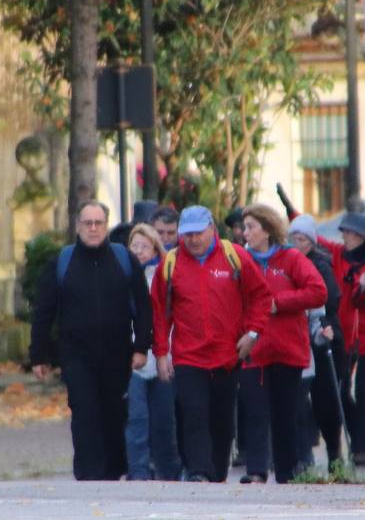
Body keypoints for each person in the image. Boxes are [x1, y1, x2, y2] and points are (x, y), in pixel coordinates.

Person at [30, 200, 153, 480]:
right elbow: (43, 311)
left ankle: (111, 473)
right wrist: (39, 355)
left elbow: (143, 306)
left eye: (99, 223)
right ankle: (88, 476)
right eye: (88, 223)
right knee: (84, 413)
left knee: (113, 414)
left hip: (117, 354)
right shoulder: (62, 262)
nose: (93, 229)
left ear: (106, 226)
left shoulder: (124, 259)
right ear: (78, 226)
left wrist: (142, 346)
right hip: (76, 356)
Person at [152, 205, 271, 483]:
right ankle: (198, 472)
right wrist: (161, 352)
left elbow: (261, 297)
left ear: (212, 229)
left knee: (222, 420)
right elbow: (159, 312)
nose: (192, 239)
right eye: (187, 234)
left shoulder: (235, 257)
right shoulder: (170, 263)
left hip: (228, 354)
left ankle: (216, 472)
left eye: (198, 233)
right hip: (188, 356)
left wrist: (253, 334)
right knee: (194, 414)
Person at [235, 204, 327, 484]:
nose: (245, 232)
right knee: (254, 411)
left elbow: (318, 291)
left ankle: (286, 472)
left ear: (267, 229)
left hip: (287, 349)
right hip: (253, 349)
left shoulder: (292, 258)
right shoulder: (241, 260)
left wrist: (279, 303)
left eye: (251, 226)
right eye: (244, 227)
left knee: (285, 413)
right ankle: (256, 470)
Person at [317, 212, 365, 467]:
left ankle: (364, 450)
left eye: (349, 232)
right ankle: (354, 437)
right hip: (343, 337)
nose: (344, 236)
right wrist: (292, 214)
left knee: (364, 390)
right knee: (342, 390)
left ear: (362, 236)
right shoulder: (338, 254)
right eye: (345, 232)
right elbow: (312, 238)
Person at [124, 223, 182, 480]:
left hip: (162, 356)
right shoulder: (122, 275)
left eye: (144, 246)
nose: (138, 251)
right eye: (134, 245)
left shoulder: (166, 275)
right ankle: (138, 472)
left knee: (164, 421)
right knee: (137, 420)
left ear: (155, 248)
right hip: (133, 358)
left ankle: (169, 471)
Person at [288, 214, 346, 471]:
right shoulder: (289, 262)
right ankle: (302, 454)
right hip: (298, 333)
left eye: (301, 239)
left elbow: (329, 297)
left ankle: (335, 452)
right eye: (293, 238)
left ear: (311, 241)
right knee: (298, 401)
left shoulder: (321, 264)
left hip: (324, 332)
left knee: (326, 399)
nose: (297, 243)